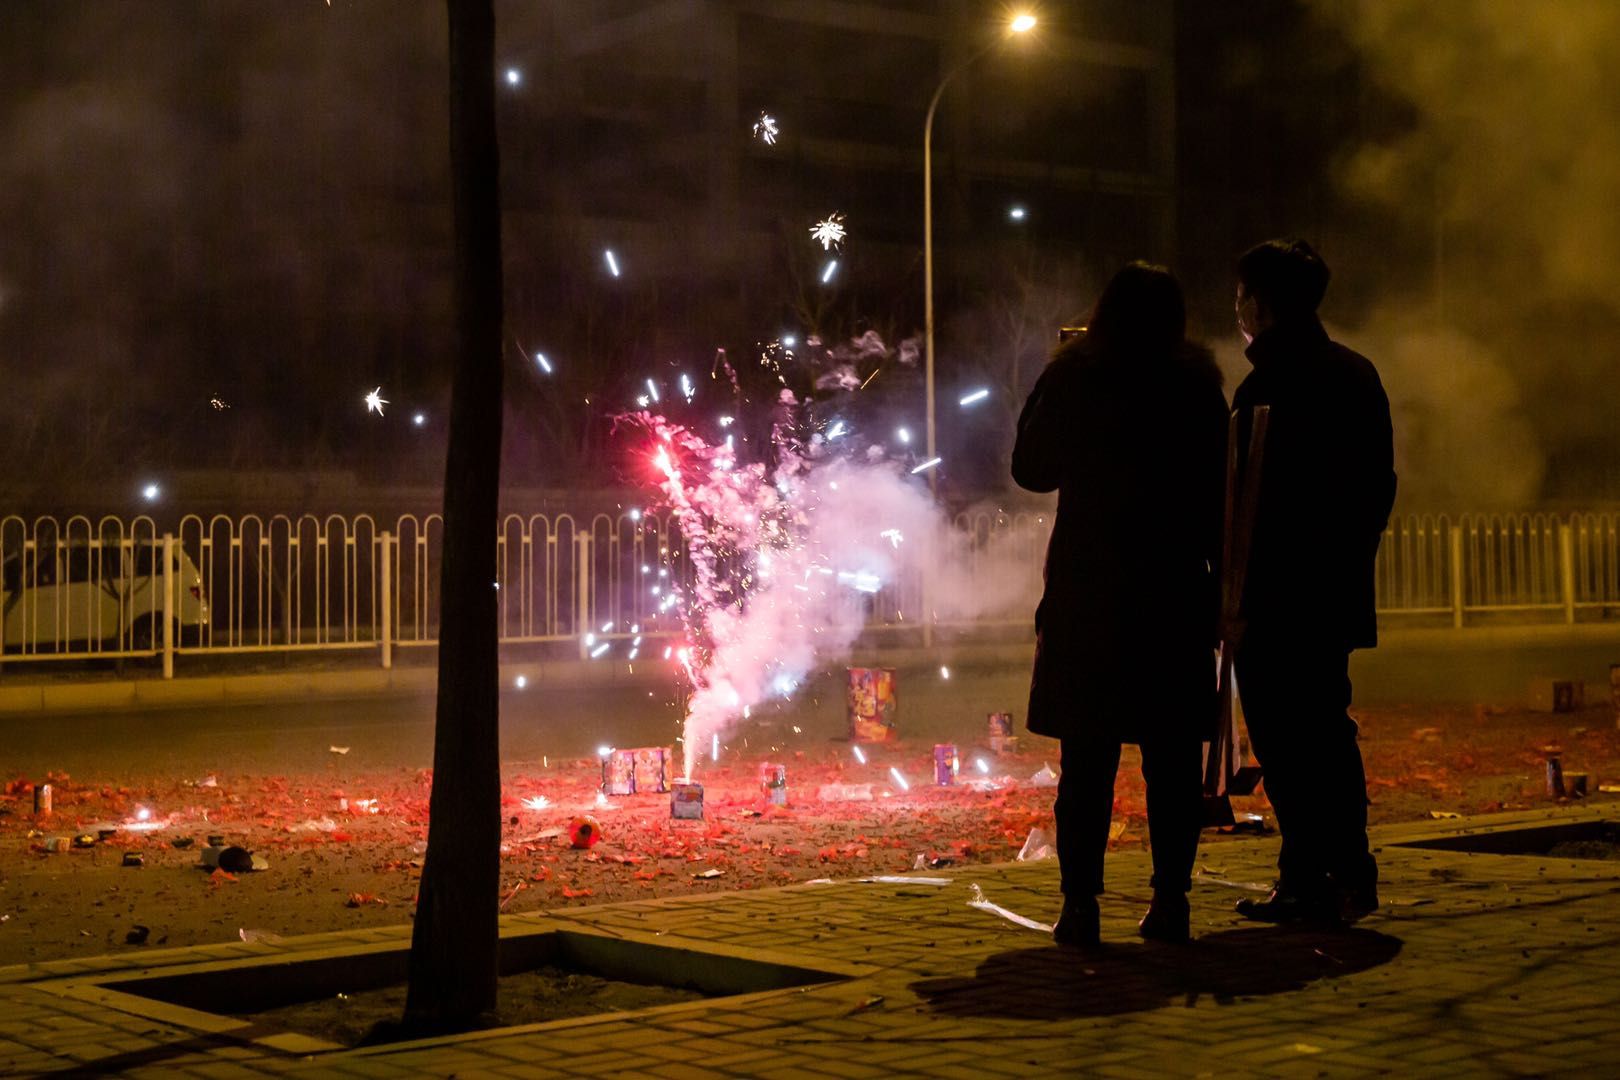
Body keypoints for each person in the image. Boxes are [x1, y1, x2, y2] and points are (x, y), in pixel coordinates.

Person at [1012, 262, 1228, 947]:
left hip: (1092, 590)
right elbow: (1220, 488)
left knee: (1088, 761)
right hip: (1172, 588)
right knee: (1170, 764)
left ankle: (1080, 906)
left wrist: (1058, 370)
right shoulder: (1196, 385)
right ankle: (1172, 902)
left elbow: (1030, 467)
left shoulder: (1079, 375)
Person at [1227, 239, 1396, 925]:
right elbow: (1377, 488)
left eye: (1240, 295)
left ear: (1261, 304)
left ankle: (1307, 877)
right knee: (1327, 729)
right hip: (1331, 590)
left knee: (1285, 739)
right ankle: (1345, 872)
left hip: (1273, 595)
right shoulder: (1356, 375)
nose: (1235, 307)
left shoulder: (1267, 385)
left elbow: (1244, 498)